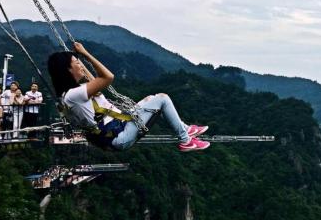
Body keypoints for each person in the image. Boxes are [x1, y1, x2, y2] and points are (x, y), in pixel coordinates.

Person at [47, 42, 209, 152]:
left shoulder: (70, 96)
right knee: (162, 98)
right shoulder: (74, 95)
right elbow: (108, 78)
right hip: (119, 136)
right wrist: (86, 54)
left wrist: (80, 57)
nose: (81, 66)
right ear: (67, 70)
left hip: (115, 132)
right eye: (77, 63)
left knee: (149, 99)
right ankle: (185, 140)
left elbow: (96, 83)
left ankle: (185, 129)